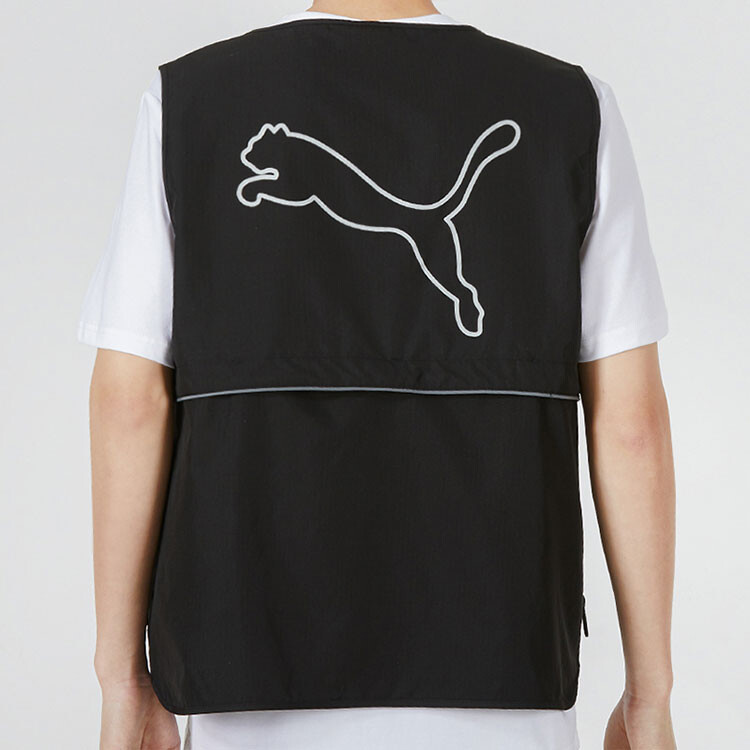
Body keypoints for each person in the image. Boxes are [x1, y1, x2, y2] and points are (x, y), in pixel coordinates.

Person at [78, 2, 677, 749]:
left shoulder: (187, 101)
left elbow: (129, 405)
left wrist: (121, 678)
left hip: (248, 668)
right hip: (500, 665)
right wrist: (650, 692)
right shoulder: (573, 108)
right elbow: (631, 427)